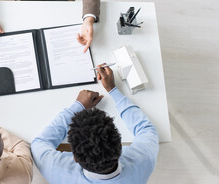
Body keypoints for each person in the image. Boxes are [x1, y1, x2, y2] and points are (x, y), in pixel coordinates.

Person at [31, 64, 159, 183]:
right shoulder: (143, 160)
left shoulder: (57, 169)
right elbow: (146, 130)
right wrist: (112, 89)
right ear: (120, 146)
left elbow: (39, 143)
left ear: (74, 158)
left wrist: (78, 105)